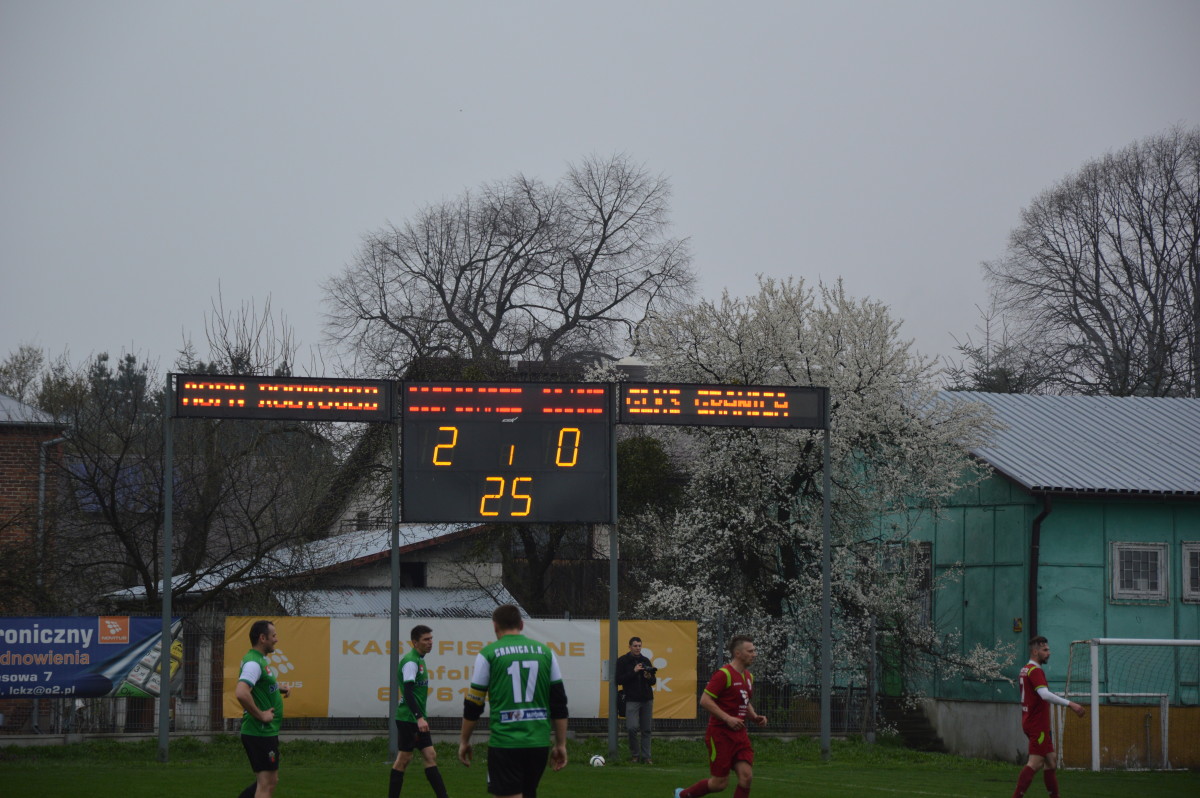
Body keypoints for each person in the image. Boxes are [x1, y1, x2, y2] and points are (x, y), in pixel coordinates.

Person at [458, 604, 569, 798]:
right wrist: (561, 744)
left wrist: (464, 741)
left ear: (495, 626)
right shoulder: (546, 652)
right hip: (538, 744)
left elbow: (474, 704)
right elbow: (559, 704)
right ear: (522, 624)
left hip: (505, 742)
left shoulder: (488, 654)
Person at [674, 635, 767, 798]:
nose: (755, 654)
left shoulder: (748, 676)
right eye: (750, 651)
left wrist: (754, 716)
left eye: (754, 650)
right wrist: (728, 718)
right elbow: (705, 700)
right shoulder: (724, 674)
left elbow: (744, 701)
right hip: (720, 735)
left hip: (740, 735)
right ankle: (683, 795)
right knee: (719, 784)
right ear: (738, 653)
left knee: (746, 777)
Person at [1012, 636, 1086, 798]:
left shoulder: (1025, 669)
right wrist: (1071, 704)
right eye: (1045, 650)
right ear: (1035, 651)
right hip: (1037, 725)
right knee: (1035, 763)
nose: (1049, 653)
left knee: (1051, 761)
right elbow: (1044, 694)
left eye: (1048, 649)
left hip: (1031, 721)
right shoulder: (1035, 671)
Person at [390, 624, 449, 798]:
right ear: (415, 642)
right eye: (426, 639)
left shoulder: (420, 659)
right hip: (408, 719)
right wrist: (419, 717)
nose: (430, 642)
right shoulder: (411, 661)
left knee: (430, 755)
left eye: (431, 639)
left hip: (416, 719)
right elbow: (408, 692)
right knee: (403, 760)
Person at [234, 620, 290, 798]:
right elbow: (241, 692)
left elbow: (259, 685)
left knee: (268, 781)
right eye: (273, 635)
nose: (276, 639)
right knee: (266, 784)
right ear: (262, 638)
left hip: (264, 732)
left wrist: (279, 688)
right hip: (260, 731)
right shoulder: (253, 663)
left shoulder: (258, 660)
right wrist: (261, 715)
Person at [615, 635, 657, 763]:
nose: (638, 648)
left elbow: (653, 681)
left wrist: (648, 677)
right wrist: (634, 671)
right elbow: (619, 680)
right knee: (631, 728)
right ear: (629, 647)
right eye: (635, 646)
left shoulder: (646, 660)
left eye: (639, 646)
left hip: (647, 699)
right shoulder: (623, 661)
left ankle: (646, 757)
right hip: (631, 699)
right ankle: (635, 755)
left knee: (646, 730)